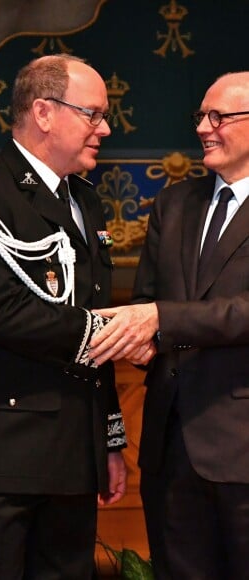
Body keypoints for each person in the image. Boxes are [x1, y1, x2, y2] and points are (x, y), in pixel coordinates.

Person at [0, 54, 127, 580]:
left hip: (71, 459)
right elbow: (3, 313)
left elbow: (92, 315)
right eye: (93, 114)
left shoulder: (85, 201)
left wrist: (107, 439)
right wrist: (118, 333)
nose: (104, 128)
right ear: (43, 112)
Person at [89, 71, 249, 579]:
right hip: (171, 447)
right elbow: (145, 301)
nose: (203, 127)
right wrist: (136, 338)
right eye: (201, 116)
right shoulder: (174, 204)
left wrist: (161, 320)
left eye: (218, 116)